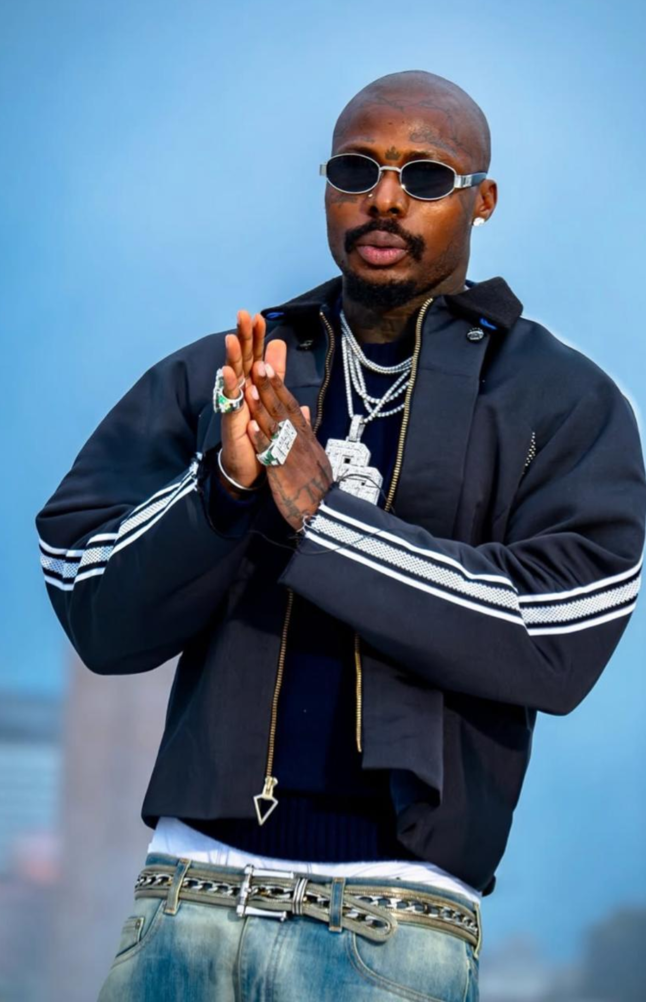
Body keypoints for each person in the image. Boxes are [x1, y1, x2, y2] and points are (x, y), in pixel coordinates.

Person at [36, 69, 646, 1001]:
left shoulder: (561, 402)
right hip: (183, 905)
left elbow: (553, 638)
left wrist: (318, 518)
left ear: (483, 200)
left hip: (393, 929)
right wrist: (223, 491)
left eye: (425, 177)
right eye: (356, 170)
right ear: (327, 189)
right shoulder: (227, 374)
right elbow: (89, 596)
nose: (385, 199)